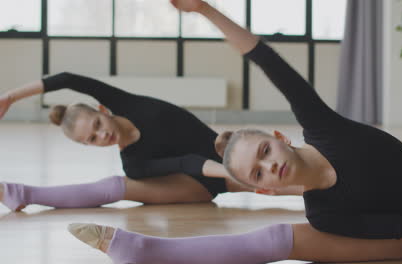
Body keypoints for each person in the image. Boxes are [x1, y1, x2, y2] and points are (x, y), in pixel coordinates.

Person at [63, 0, 402, 263]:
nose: (269, 167)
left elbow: (266, 59)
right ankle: (145, 250)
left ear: (280, 137)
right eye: (258, 174)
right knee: (276, 240)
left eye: (264, 153)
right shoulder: (323, 214)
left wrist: (204, 10)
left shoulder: (324, 127)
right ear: (265, 190)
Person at [0, 74, 302, 212]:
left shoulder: (126, 103)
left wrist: (11, 96)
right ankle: (19, 192)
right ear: (88, 146)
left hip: (222, 152)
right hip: (202, 182)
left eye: (97, 126)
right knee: (121, 184)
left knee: (285, 163)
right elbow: (187, 164)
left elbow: (66, 79)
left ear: (103, 110)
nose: (102, 136)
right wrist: (231, 173)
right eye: (92, 139)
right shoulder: (134, 164)